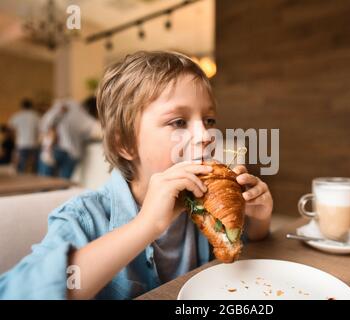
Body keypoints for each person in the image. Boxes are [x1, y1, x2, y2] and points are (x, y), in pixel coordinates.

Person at [0, 51, 273, 299]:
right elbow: (17, 293)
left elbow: (238, 261)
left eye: (209, 121)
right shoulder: (84, 218)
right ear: (125, 144)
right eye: (178, 122)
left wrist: (257, 221)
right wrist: (146, 225)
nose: (206, 136)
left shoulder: (205, 205)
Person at [38, 99, 99, 179]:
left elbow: (44, 125)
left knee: (45, 182)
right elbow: (95, 131)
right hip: (72, 153)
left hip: (53, 149)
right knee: (64, 183)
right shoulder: (83, 116)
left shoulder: (65, 106)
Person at [8, 99, 40, 173]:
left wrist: (15, 137)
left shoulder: (17, 116)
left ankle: (22, 180)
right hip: (33, 143)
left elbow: (10, 128)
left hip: (21, 143)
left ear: (22, 106)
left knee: (22, 165)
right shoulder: (36, 116)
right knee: (34, 165)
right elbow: (41, 129)